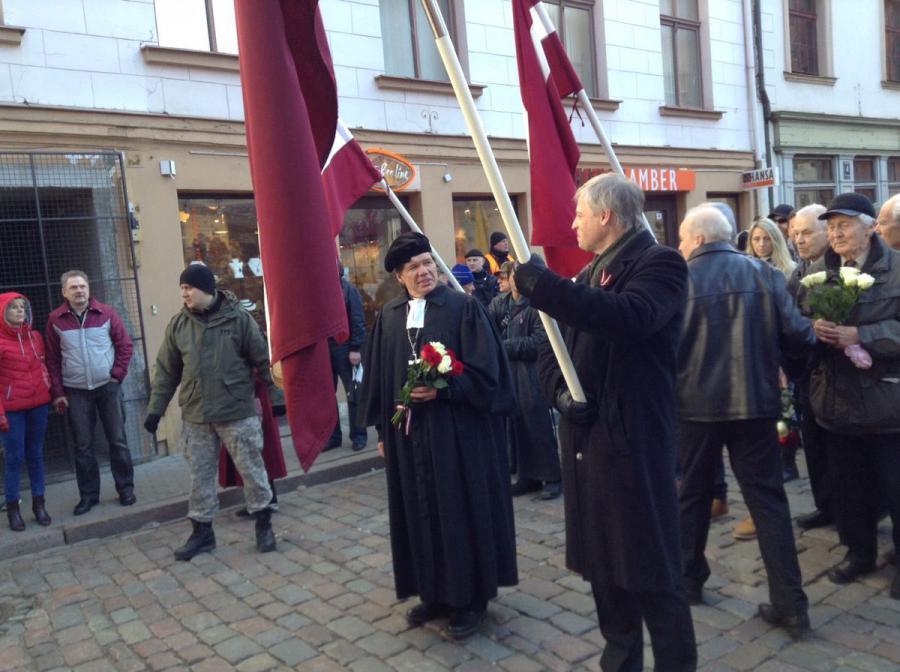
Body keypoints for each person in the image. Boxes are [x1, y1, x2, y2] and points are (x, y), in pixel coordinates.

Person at [514, 173, 697, 671]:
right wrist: (560, 396)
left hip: (632, 445)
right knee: (606, 573)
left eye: (578, 214)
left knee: (651, 571)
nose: (571, 224)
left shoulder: (660, 264)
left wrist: (543, 287)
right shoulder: (588, 274)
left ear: (605, 216)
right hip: (586, 444)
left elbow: (629, 316)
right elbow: (554, 352)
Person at [360, 232, 518, 641]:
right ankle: (432, 592)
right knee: (418, 510)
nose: (425, 270)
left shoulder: (463, 309)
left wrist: (446, 389)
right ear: (399, 275)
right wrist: (383, 428)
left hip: (458, 436)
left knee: (457, 510)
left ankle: (469, 598)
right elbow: (379, 378)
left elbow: (490, 374)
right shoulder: (391, 317)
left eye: (428, 262)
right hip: (409, 440)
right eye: (414, 266)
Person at [675, 205, 814, 639]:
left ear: (698, 239)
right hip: (755, 402)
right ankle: (792, 604)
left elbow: (661, 351)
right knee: (768, 501)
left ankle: (688, 581)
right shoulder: (764, 274)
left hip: (694, 408)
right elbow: (799, 336)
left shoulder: (677, 282)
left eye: (681, 239)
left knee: (691, 498)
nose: (678, 247)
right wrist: (781, 365)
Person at [801, 193, 900, 600]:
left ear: (870, 227)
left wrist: (864, 336)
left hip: (885, 403)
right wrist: (814, 330)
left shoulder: (895, 270)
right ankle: (858, 553)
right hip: (835, 401)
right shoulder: (819, 271)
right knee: (848, 486)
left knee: (895, 488)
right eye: (831, 226)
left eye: (843, 225)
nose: (835, 233)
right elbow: (797, 319)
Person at [144, 262, 276, 560]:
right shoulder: (179, 324)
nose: (184, 294)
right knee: (200, 477)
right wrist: (156, 410)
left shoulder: (239, 319)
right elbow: (166, 370)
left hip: (236, 411)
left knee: (253, 471)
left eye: (188, 288)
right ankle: (202, 533)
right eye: (182, 289)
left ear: (206, 289)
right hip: (197, 414)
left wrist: (282, 393)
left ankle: (264, 524)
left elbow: (262, 360)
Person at [45, 270, 135, 516]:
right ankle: (88, 496)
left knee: (117, 441)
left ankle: (126, 489)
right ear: (64, 292)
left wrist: (116, 376)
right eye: (73, 287)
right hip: (76, 391)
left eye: (83, 286)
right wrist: (58, 392)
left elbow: (125, 345)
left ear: (89, 288)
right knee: (83, 446)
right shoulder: (55, 319)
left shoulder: (106, 313)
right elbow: (52, 359)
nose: (79, 291)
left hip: (107, 387)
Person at [489, 261, 561, 500]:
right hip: (510, 374)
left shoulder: (537, 306)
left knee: (537, 426)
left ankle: (552, 477)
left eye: (507, 275)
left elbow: (540, 342)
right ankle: (527, 476)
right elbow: (489, 328)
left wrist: (504, 346)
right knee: (517, 427)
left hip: (533, 375)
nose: (504, 280)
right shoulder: (501, 304)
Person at [786, 204, 835, 532]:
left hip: (831, 372)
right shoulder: (799, 271)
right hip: (805, 372)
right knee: (815, 447)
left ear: (825, 233)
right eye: (795, 234)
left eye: (806, 233)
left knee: (836, 451)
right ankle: (825, 506)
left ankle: (849, 511)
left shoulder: (838, 269)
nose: (799, 240)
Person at [0, 293, 52, 531]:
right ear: (3, 312)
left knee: (36, 455)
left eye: (23, 307)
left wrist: (49, 389)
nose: (20, 311)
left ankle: (39, 505)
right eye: (14, 307)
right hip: (12, 410)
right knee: (14, 458)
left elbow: (44, 363)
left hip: (38, 404)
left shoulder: (35, 337)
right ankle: (13, 509)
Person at [326, 264, 367, 452]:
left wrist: (355, 348)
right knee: (327, 396)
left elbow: (358, 319)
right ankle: (334, 437)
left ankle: (359, 435)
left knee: (354, 394)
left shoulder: (349, 290)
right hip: (325, 350)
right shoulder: (320, 291)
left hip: (345, 348)